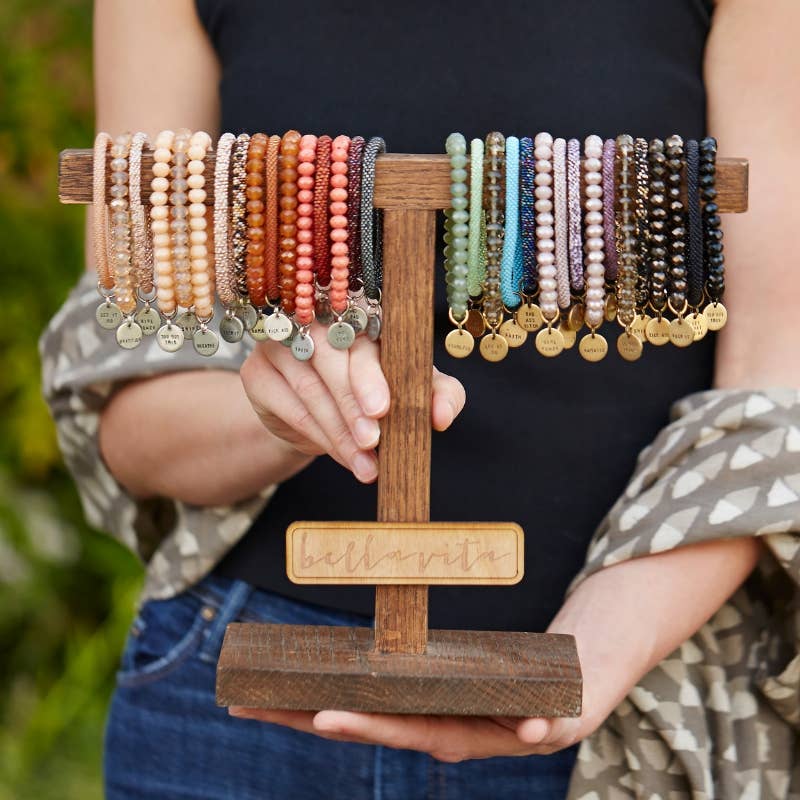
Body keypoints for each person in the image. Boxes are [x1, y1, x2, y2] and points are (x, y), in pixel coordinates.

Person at [39, 0, 800, 797]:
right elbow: (130, 390)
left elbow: (774, 384)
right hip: (237, 694)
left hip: (625, 696)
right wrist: (282, 412)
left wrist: (606, 646)